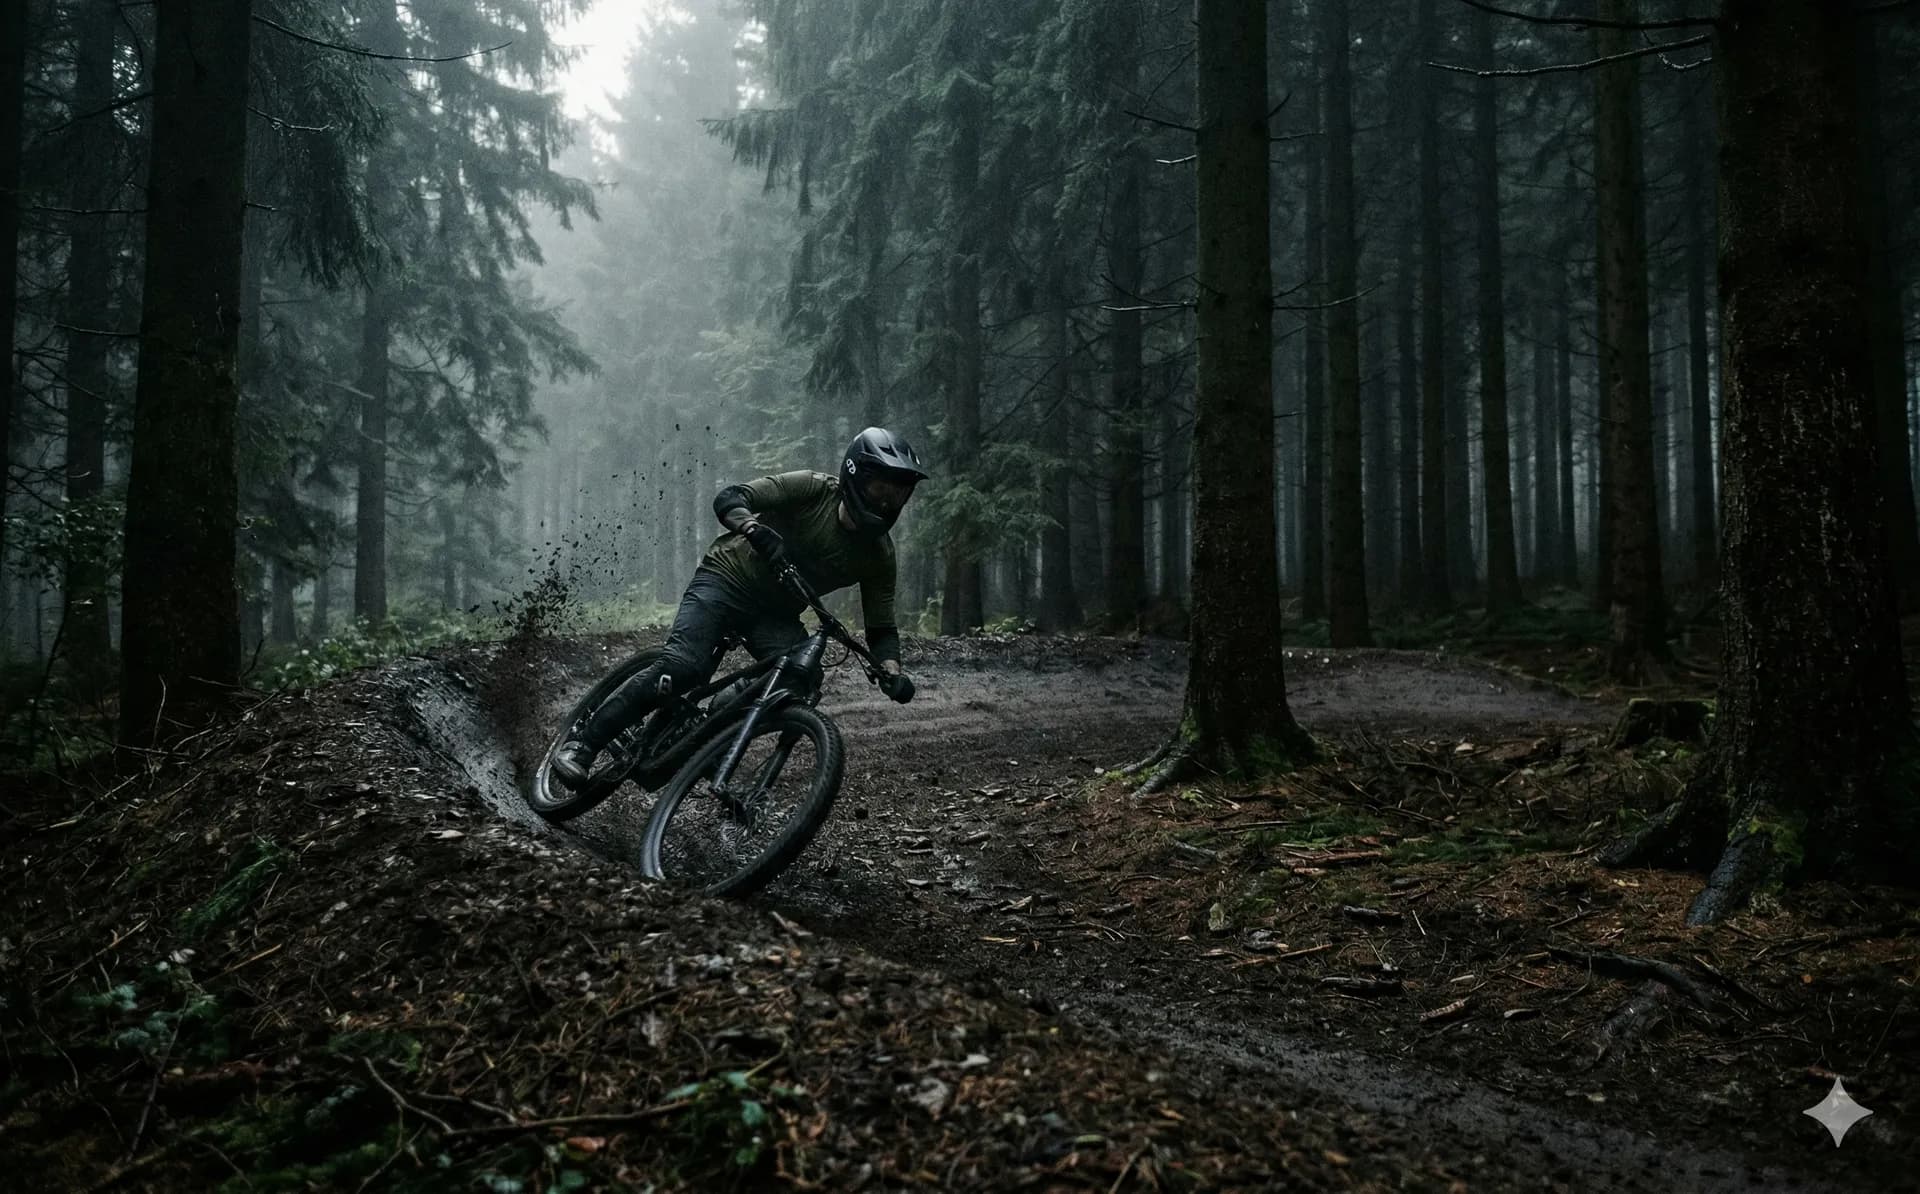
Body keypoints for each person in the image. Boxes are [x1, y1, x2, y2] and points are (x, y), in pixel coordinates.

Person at [551, 427, 928, 787]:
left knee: (801, 680)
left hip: (775, 615)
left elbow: (881, 627)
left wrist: (890, 669)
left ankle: (708, 733)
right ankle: (585, 743)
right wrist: (752, 528)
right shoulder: (813, 489)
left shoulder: (879, 556)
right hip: (726, 579)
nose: (886, 501)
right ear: (854, 475)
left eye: (898, 495)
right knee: (684, 666)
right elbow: (731, 497)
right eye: (881, 488)